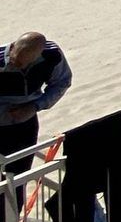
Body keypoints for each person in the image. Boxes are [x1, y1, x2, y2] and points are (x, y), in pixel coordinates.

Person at [0, 32, 73, 208]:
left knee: (17, 180)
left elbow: (62, 82)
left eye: (22, 63)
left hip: (25, 125)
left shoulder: (51, 56)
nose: (16, 64)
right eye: (14, 59)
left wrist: (34, 107)